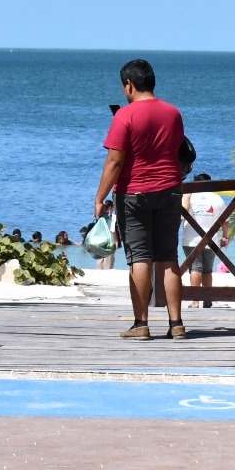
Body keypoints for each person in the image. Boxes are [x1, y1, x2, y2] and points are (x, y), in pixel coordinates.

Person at [94, 58, 188, 340]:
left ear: (129, 85)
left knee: (139, 258)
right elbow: (178, 151)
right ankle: (176, 324)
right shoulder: (173, 113)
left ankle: (141, 323)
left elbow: (114, 161)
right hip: (170, 189)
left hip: (133, 193)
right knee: (168, 257)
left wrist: (100, 197)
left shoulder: (125, 115)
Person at [182, 172, 228, 296]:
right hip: (211, 239)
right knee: (207, 270)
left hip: (190, 239)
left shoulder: (189, 196)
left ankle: (195, 300)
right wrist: (225, 236)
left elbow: (182, 214)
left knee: (195, 267)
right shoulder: (218, 199)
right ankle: (207, 299)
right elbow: (225, 221)